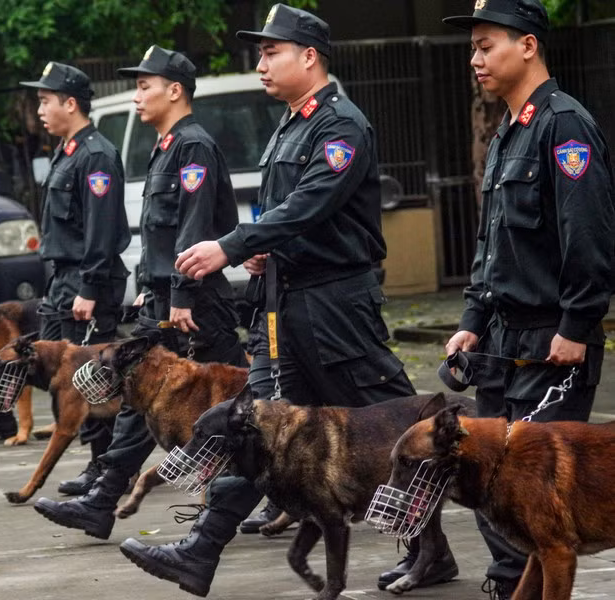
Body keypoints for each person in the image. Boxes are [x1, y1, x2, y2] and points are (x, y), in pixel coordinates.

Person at [124, 4, 457, 597]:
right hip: (287, 303)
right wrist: (263, 255)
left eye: (271, 51)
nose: (261, 63)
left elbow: (310, 206)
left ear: (309, 56)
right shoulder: (290, 123)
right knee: (253, 426)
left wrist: (230, 245)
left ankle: (466, 549)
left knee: (406, 429)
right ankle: (199, 554)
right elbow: (289, 219)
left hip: (335, 308)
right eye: (259, 53)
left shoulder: (340, 125)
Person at [33, 45, 248, 539]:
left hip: (193, 304)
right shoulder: (168, 145)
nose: (136, 95)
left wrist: (180, 294)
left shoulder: (192, 146)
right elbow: (159, 232)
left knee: (237, 401)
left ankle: (260, 496)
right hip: (166, 298)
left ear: (174, 91)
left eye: (144, 85)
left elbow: (192, 229)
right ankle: (104, 498)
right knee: (140, 396)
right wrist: (150, 289)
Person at [440, 0, 615, 597]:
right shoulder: (506, 134)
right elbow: (492, 248)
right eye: (473, 47)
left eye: (487, 45)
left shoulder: (565, 127)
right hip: (502, 342)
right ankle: (508, 584)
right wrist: (471, 321)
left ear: (529, 46)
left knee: (535, 495)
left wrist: (577, 322)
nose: (475, 58)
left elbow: (588, 236)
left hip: (552, 342)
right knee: (491, 484)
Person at [0, 62, 131, 495]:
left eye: (45, 100)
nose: (39, 109)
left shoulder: (95, 154)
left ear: (70, 104)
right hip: (63, 282)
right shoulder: (67, 150)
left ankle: (105, 469)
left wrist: (90, 288)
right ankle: (98, 466)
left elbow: (101, 229)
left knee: (90, 378)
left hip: (85, 283)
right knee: (69, 377)